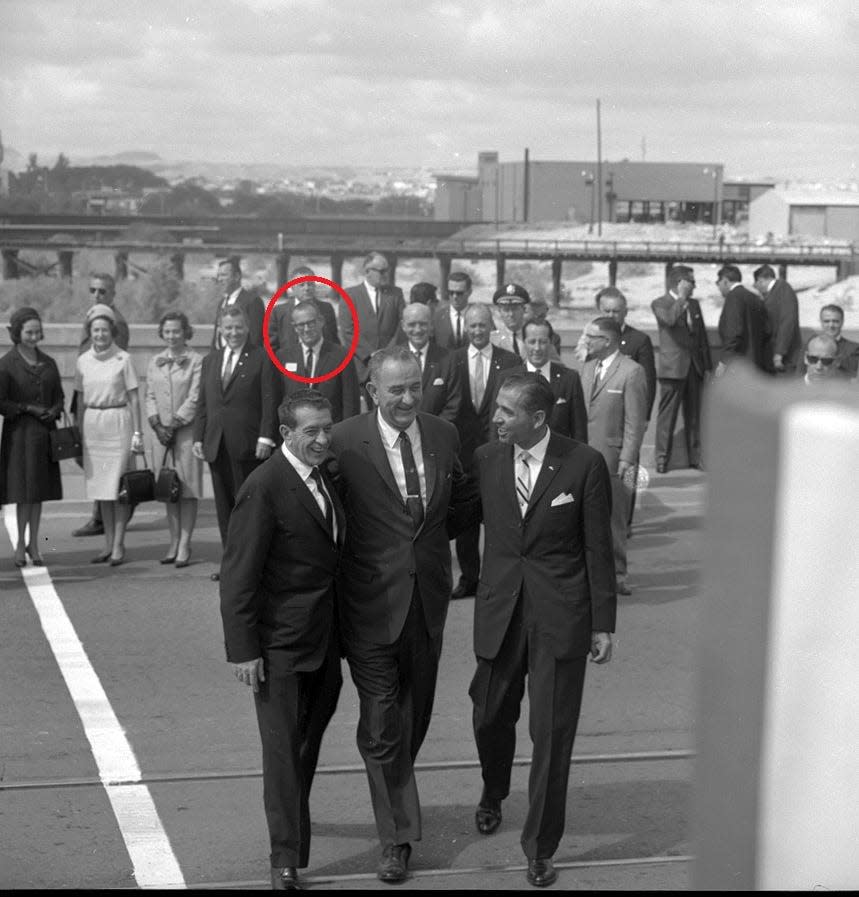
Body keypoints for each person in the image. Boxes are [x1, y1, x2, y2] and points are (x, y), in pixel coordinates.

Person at [328, 345, 474, 884]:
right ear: (373, 392)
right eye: (396, 389)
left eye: (415, 386)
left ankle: (384, 764)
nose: (409, 398)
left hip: (427, 602)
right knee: (385, 719)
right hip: (367, 605)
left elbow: (459, 504)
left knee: (412, 718)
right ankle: (397, 840)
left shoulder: (442, 435)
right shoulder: (343, 442)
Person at [470, 373, 615, 889]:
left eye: (507, 412)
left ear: (537, 418)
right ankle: (494, 790)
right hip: (500, 613)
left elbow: (598, 548)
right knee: (488, 716)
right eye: (497, 411)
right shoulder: (488, 460)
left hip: (560, 618)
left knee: (552, 736)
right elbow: (458, 521)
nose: (497, 419)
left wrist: (603, 624)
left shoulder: (583, 464)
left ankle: (539, 847)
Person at [220, 390, 344, 891]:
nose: (321, 439)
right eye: (311, 431)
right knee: (281, 755)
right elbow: (238, 577)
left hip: (325, 641)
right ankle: (284, 861)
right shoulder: (264, 486)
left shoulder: (327, 477)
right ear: (287, 433)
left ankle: (294, 835)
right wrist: (244, 650)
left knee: (304, 748)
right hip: (278, 649)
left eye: (326, 429)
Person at [193, 305, 279, 580]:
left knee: (250, 508)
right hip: (216, 443)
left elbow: (269, 400)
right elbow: (203, 403)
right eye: (228, 327)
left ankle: (252, 565)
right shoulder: (211, 360)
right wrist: (199, 435)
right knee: (224, 508)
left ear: (247, 328)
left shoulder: (262, 358)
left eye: (238, 327)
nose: (233, 332)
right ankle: (231, 565)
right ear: (220, 329)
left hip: (249, 445)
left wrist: (267, 436)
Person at [450, 303, 521, 599]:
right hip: (463, 457)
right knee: (466, 523)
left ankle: (497, 579)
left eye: (482, 325)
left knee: (498, 520)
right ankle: (469, 578)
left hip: (498, 452)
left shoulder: (510, 361)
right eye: (472, 326)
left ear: (491, 327)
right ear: (465, 328)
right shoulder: (451, 361)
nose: (477, 331)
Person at [580, 318, 648, 596]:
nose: (586, 341)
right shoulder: (586, 367)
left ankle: (618, 573)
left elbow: (636, 421)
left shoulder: (632, 372)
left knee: (615, 519)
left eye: (591, 337)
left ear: (606, 341)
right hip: (584, 457)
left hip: (614, 458)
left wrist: (627, 459)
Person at [73, 305, 144, 566]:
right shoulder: (82, 361)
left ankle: (118, 544)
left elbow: (135, 398)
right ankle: (107, 544)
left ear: (111, 331)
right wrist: (79, 433)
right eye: (95, 330)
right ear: (89, 333)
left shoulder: (123, 359)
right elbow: (80, 400)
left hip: (118, 423)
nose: (100, 335)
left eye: (104, 330)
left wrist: (138, 433)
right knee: (102, 489)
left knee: (119, 488)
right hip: (93, 425)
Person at [0, 308, 64, 567]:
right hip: (19, 434)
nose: (34, 336)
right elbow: (1, 402)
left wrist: (56, 410)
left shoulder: (48, 361)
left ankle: (34, 544)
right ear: (17, 333)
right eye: (29, 332)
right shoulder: (6, 364)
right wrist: (27, 408)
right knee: (22, 493)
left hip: (43, 435)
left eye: (38, 331)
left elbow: (59, 394)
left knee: (38, 493)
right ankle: (18, 547)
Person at [594, 286, 656, 534]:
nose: (612, 315)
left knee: (628, 470)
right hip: (601, 418)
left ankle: (625, 521)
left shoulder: (639, 341)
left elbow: (648, 383)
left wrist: (643, 420)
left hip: (628, 418)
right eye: (606, 310)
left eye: (616, 311)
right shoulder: (593, 340)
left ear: (625, 312)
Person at [72, 272, 130, 538]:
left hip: (107, 401)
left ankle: (102, 516)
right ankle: (105, 511)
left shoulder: (115, 322)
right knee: (88, 459)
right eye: (93, 290)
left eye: (103, 292)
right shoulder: (92, 317)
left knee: (105, 466)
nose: (97, 295)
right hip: (86, 394)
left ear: (113, 295)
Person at [144, 311, 204, 568]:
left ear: (185, 332)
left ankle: (184, 544)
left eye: (176, 331)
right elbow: (149, 396)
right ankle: (173, 539)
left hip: (186, 434)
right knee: (168, 489)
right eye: (167, 331)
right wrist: (157, 424)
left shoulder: (196, 361)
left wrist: (175, 422)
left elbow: (195, 396)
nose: (171, 336)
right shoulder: (154, 360)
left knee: (187, 490)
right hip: (162, 437)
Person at [651, 266, 712, 473]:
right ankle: (661, 458)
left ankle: (696, 458)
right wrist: (681, 299)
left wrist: (707, 366)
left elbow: (701, 336)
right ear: (680, 283)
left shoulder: (695, 305)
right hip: (672, 368)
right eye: (691, 282)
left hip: (694, 367)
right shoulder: (660, 303)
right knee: (667, 415)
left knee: (694, 415)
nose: (694, 286)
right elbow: (668, 320)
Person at [278, 301, 360, 424]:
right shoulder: (283, 356)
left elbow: (351, 402)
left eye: (311, 323)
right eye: (301, 325)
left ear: (321, 321)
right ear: (295, 327)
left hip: (332, 431)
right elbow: (278, 399)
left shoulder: (341, 355)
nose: (306, 329)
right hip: (296, 433)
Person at [505, 319, 587, 441]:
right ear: (524, 342)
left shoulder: (569, 379)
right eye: (532, 342)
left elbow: (579, 429)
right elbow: (499, 425)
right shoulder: (508, 378)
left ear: (551, 343)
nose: (537, 348)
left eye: (543, 342)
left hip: (558, 456)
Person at [340, 251, 406, 385]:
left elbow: (402, 325)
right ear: (367, 271)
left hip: (390, 366)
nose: (386, 274)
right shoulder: (350, 294)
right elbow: (347, 331)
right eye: (382, 271)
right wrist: (370, 354)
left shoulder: (396, 293)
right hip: (361, 366)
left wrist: (387, 353)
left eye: (387, 270)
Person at [396, 303, 461, 422]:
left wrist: (432, 431)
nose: (418, 330)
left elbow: (453, 404)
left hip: (436, 433)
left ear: (431, 325)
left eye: (423, 324)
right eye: (412, 324)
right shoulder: (393, 358)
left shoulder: (448, 359)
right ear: (403, 326)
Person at [714, 264, 773, 377]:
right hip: (756, 362)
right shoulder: (754, 297)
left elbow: (733, 332)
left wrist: (724, 362)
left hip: (739, 364)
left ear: (725, 281)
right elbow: (767, 329)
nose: (718, 287)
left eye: (718, 283)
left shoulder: (733, 297)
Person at [268, 265, 339, 357]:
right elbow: (271, 346)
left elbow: (333, 340)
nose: (307, 288)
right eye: (302, 285)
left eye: (310, 284)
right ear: (292, 288)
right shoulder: (279, 312)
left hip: (321, 364)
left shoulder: (326, 309)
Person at [753, 265, 802, 374]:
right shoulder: (777, 291)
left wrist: (779, 353)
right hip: (774, 355)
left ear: (760, 280)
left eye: (756, 285)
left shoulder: (783, 289)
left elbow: (787, 322)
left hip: (784, 358)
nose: (757, 288)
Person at [212, 256, 266, 350]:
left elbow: (256, 338)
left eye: (224, 275)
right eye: (218, 275)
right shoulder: (222, 302)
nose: (219, 279)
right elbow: (217, 336)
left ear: (237, 277)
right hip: (221, 358)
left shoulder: (253, 301)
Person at [433, 271, 472, 350]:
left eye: (459, 293)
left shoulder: (479, 316)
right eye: (451, 292)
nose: (455, 296)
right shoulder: (437, 317)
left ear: (469, 292)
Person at [490, 283, 530, 360]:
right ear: (499, 312)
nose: (511, 314)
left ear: (524, 310)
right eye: (506, 310)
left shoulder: (533, 336)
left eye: (515, 309)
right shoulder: (492, 340)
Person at [818, 304, 859, 378]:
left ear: (842, 322)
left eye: (835, 321)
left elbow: (851, 374)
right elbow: (799, 374)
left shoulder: (854, 348)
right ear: (821, 322)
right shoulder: (810, 344)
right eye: (826, 321)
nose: (831, 325)